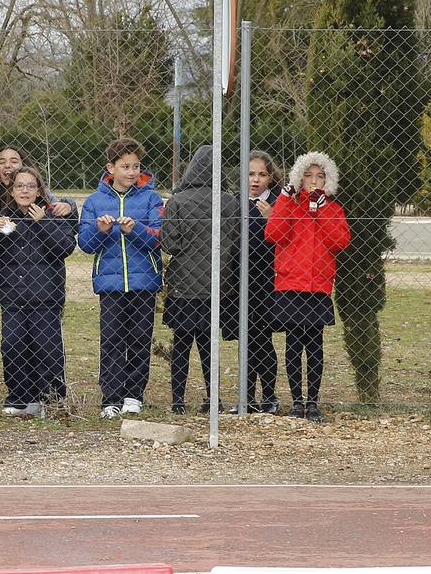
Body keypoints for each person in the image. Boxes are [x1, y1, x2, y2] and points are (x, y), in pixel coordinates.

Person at [77, 137, 164, 419]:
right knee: (112, 340)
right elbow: (87, 245)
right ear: (110, 168)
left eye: (136, 166)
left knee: (139, 338)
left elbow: (157, 238)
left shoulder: (152, 198)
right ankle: (111, 398)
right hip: (110, 284)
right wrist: (102, 231)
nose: (131, 172)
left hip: (144, 283)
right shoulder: (94, 201)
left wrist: (134, 230)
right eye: (125, 166)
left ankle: (134, 395)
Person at [265, 151, 352, 422]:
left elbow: (339, 242)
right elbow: (273, 234)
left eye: (320, 176)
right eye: (308, 175)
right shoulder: (290, 205)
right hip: (291, 283)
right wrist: (285, 199)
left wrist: (322, 208)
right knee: (293, 343)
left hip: (318, 287)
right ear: (298, 178)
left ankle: (313, 401)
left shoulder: (333, 209)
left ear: (329, 181)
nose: (314, 181)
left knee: (314, 344)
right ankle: (297, 400)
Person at [0, 165, 77, 418]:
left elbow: (65, 247)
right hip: (13, 296)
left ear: (39, 190)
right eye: (19, 186)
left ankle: (50, 397)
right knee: (13, 345)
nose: (24, 190)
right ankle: (19, 396)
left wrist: (43, 223)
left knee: (46, 348)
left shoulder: (52, 214)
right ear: (12, 190)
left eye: (30, 186)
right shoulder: (5, 217)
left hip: (46, 296)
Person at [159, 144, 238, 414]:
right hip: (218, 284)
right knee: (209, 344)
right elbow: (238, 243)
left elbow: (169, 244)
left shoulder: (178, 201)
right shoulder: (229, 202)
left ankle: (178, 400)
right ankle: (212, 398)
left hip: (183, 286)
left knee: (181, 343)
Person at [240, 150, 284, 413]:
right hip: (240, 283)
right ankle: (246, 398)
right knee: (245, 340)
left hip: (267, 283)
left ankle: (268, 396)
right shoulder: (234, 203)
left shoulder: (278, 205)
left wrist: (272, 219)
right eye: (251, 174)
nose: (255, 180)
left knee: (262, 340)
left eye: (262, 174)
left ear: (271, 177)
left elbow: (284, 241)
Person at [0, 145, 27, 213]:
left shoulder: (36, 190)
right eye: (2, 162)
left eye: (14, 161)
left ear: (25, 167)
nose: (7, 165)